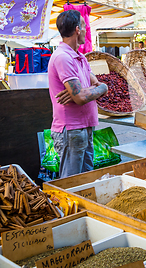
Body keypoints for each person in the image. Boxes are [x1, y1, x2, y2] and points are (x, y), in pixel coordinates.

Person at [48, 10, 108, 178]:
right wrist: (101, 89)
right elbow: (81, 97)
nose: (86, 28)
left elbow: (92, 84)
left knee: (86, 180)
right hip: (72, 129)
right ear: (77, 30)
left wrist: (86, 90)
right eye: (84, 25)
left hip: (84, 127)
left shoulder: (80, 57)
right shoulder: (63, 57)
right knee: (71, 182)